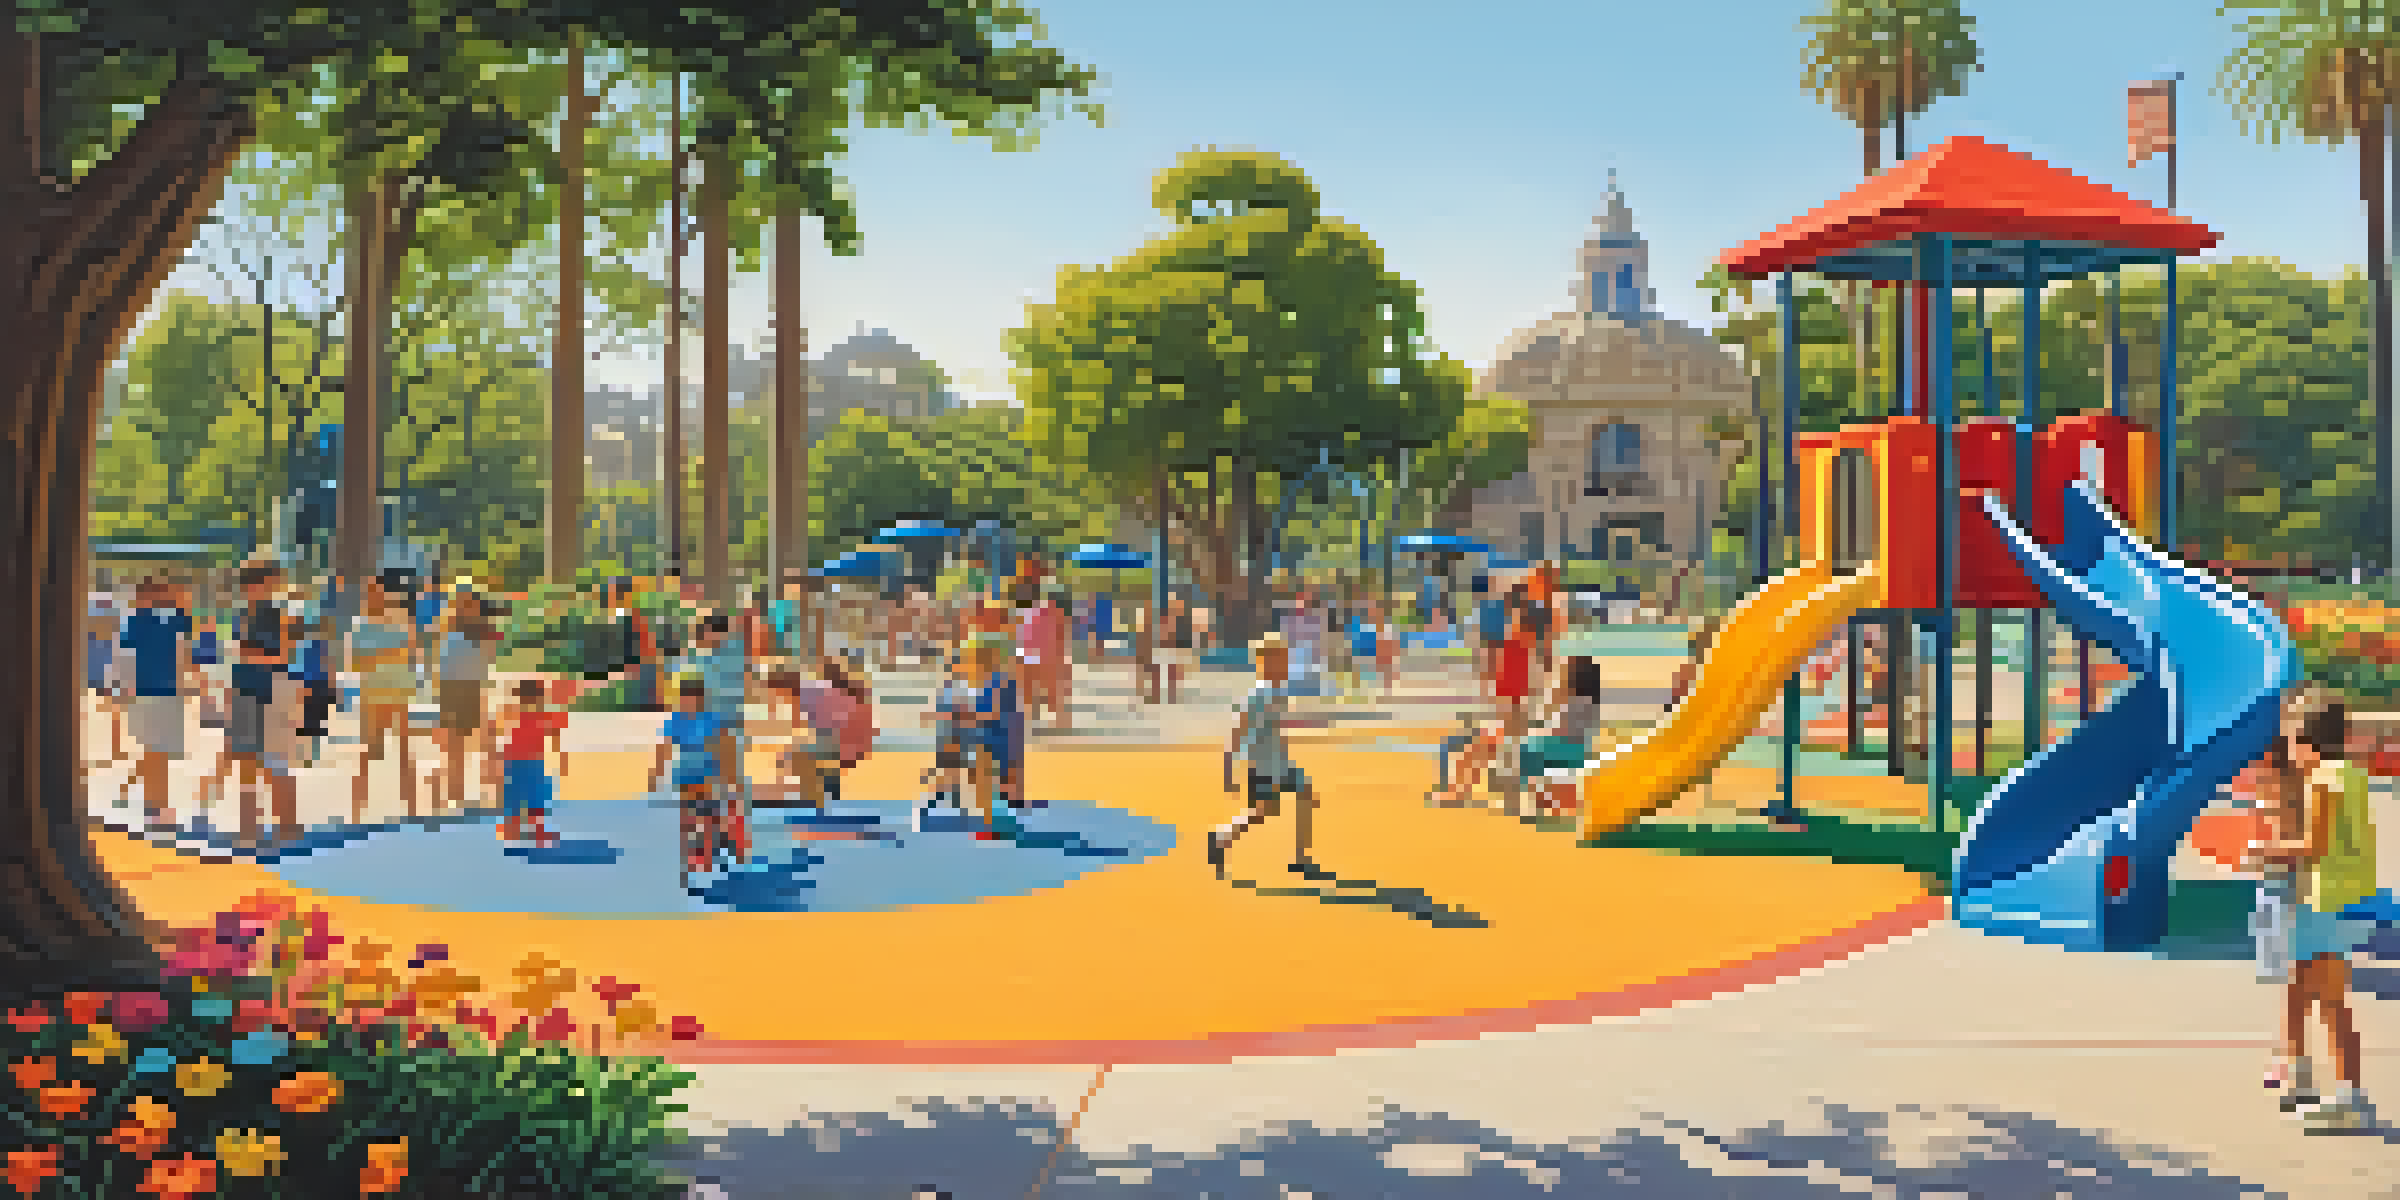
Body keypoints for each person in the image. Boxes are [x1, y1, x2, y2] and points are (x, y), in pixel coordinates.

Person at [2255, 689, 2380, 1132]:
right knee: (2319, 991)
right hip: (2346, 898)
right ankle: (2309, 1077)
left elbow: (2313, 844)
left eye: (2291, 740)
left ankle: (2350, 1098)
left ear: (2306, 742)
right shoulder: (2352, 775)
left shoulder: (2321, 781)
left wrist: (2263, 850)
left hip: (2323, 900)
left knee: (2330, 1001)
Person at [1207, 633, 1325, 881]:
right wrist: (1229, 767)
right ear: (1267, 663)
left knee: (1303, 795)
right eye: (1281, 660)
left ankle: (1301, 859)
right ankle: (1221, 837)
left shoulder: (1276, 692)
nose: (1286, 665)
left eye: (1285, 659)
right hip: (1264, 768)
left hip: (1279, 764)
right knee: (1262, 812)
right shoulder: (1261, 694)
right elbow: (1238, 730)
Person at [118, 577, 198, 826]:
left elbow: (186, 623)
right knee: (157, 752)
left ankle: (148, 800)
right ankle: (155, 806)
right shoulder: (141, 622)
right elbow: (126, 658)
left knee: (156, 752)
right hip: (152, 693)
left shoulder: (155, 621)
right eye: (158, 593)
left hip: (162, 693)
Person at [348, 575, 424, 824]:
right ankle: (358, 810)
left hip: (396, 693)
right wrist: (390, 653)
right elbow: (356, 663)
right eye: (372, 594)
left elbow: (413, 651)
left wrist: (384, 655)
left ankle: (411, 808)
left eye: (379, 592)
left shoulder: (399, 620)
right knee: (370, 753)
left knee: (404, 752)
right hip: (375, 695)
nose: (377, 597)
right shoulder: (362, 626)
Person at [653, 677, 741, 875]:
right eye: (685, 698)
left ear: (700, 699)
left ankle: (711, 854)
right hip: (686, 776)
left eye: (692, 698)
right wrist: (657, 772)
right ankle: (696, 855)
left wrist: (731, 774)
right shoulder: (677, 720)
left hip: (710, 776)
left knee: (709, 816)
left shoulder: (712, 719)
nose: (688, 702)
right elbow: (665, 747)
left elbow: (726, 745)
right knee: (690, 817)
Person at [434, 587, 499, 815]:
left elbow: (487, 660)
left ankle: (492, 791)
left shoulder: (483, 631)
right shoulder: (447, 628)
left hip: (473, 688)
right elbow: (440, 663)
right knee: (454, 747)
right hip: (451, 690)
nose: (463, 607)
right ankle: (455, 795)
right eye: (461, 602)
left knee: (486, 742)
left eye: (468, 603)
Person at [497, 678, 570, 846]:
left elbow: (555, 733)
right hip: (524, 761)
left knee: (526, 796)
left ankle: (522, 830)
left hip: (522, 761)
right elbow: (555, 733)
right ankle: (524, 830)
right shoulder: (528, 715)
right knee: (528, 796)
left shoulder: (520, 714)